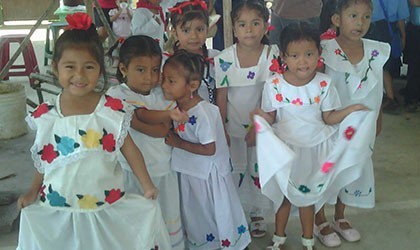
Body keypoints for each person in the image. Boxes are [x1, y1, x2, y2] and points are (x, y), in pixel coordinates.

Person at [16, 13, 171, 250]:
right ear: (56, 69)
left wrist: (146, 185)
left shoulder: (109, 110)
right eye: (70, 67)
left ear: (99, 70)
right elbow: (44, 160)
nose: (79, 75)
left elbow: (131, 151)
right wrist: (31, 191)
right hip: (59, 204)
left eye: (88, 67)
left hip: (104, 204)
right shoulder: (47, 115)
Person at [255, 21, 371, 250]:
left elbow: (329, 118)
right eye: (295, 55)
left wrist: (351, 110)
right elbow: (271, 117)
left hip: (316, 148)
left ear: (319, 53)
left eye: (309, 54)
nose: (303, 61)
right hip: (286, 151)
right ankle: (279, 239)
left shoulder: (324, 84)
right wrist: (259, 119)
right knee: (285, 198)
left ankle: (308, 241)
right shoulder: (274, 84)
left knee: (308, 198)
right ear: (283, 57)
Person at [317, 0, 390, 247]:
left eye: (366, 17)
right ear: (337, 19)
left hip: (362, 127)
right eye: (353, 15)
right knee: (325, 170)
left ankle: (340, 216)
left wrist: (378, 118)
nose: (360, 22)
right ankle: (320, 220)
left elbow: (376, 90)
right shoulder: (324, 50)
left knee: (352, 168)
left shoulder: (375, 51)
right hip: (331, 127)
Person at [162, 50, 251, 250]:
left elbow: (209, 148)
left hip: (207, 177)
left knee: (213, 213)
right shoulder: (177, 108)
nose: (164, 85)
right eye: (163, 79)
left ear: (192, 86)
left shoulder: (202, 113)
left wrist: (178, 143)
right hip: (192, 173)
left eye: (171, 81)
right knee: (197, 215)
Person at [106, 35, 185, 250]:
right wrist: (164, 120)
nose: (149, 77)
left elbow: (159, 126)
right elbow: (144, 122)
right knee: (137, 223)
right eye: (140, 70)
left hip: (164, 170)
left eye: (154, 69)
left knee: (166, 217)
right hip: (132, 174)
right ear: (123, 68)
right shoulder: (116, 95)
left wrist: (163, 122)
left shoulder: (163, 94)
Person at [214, 0, 279, 238]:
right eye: (242, 24)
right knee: (237, 170)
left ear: (265, 26)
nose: (249, 29)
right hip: (233, 127)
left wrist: (259, 125)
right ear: (234, 28)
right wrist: (221, 128)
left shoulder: (273, 55)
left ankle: (258, 215)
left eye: (255, 23)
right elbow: (221, 96)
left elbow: (272, 93)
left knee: (258, 169)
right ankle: (238, 213)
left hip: (263, 125)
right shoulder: (224, 58)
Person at [168, 0, 219, 104]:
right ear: (174, 32)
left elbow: (222, 93)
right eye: (186, 30)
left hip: (210, 118)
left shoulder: (215, 58)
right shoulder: (167, 62)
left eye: (199, 29)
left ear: (207, 29)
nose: (193, 36)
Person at [365, 0, 409, 114]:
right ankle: (389, 97)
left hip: (369, 28)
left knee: (371, 64)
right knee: (384, 65)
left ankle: (387, 97)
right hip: (388, 30)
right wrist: (403, 36)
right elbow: (401, 18)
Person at [403, 0, 420, 112]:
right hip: (413, 27)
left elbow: (415, 2)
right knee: (413, 62)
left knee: (416, 63)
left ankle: (413, 96)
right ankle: (411, 90)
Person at [108, 0, 133, 67]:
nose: (123, 3)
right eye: (121, 1)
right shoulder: (114, 11)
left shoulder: (130, 11)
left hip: (127, 34)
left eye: (125, 1)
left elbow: (132, 19)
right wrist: (119, 12)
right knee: (116, 48)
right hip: (117, 34)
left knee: (127, 48)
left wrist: (127, 11)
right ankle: (116, 60)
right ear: (116, 2)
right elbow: (111, 19)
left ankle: (125, 61)